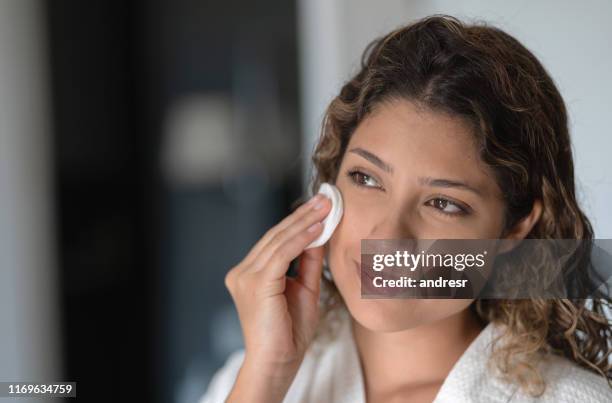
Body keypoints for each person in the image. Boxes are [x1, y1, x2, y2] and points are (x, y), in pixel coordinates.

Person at [200, 14, 612, 402]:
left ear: (514, 230)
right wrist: (265, 377)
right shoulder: (249, 379)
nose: (388, 237)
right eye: (366, 179)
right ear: (330, 179)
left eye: (444, 204)